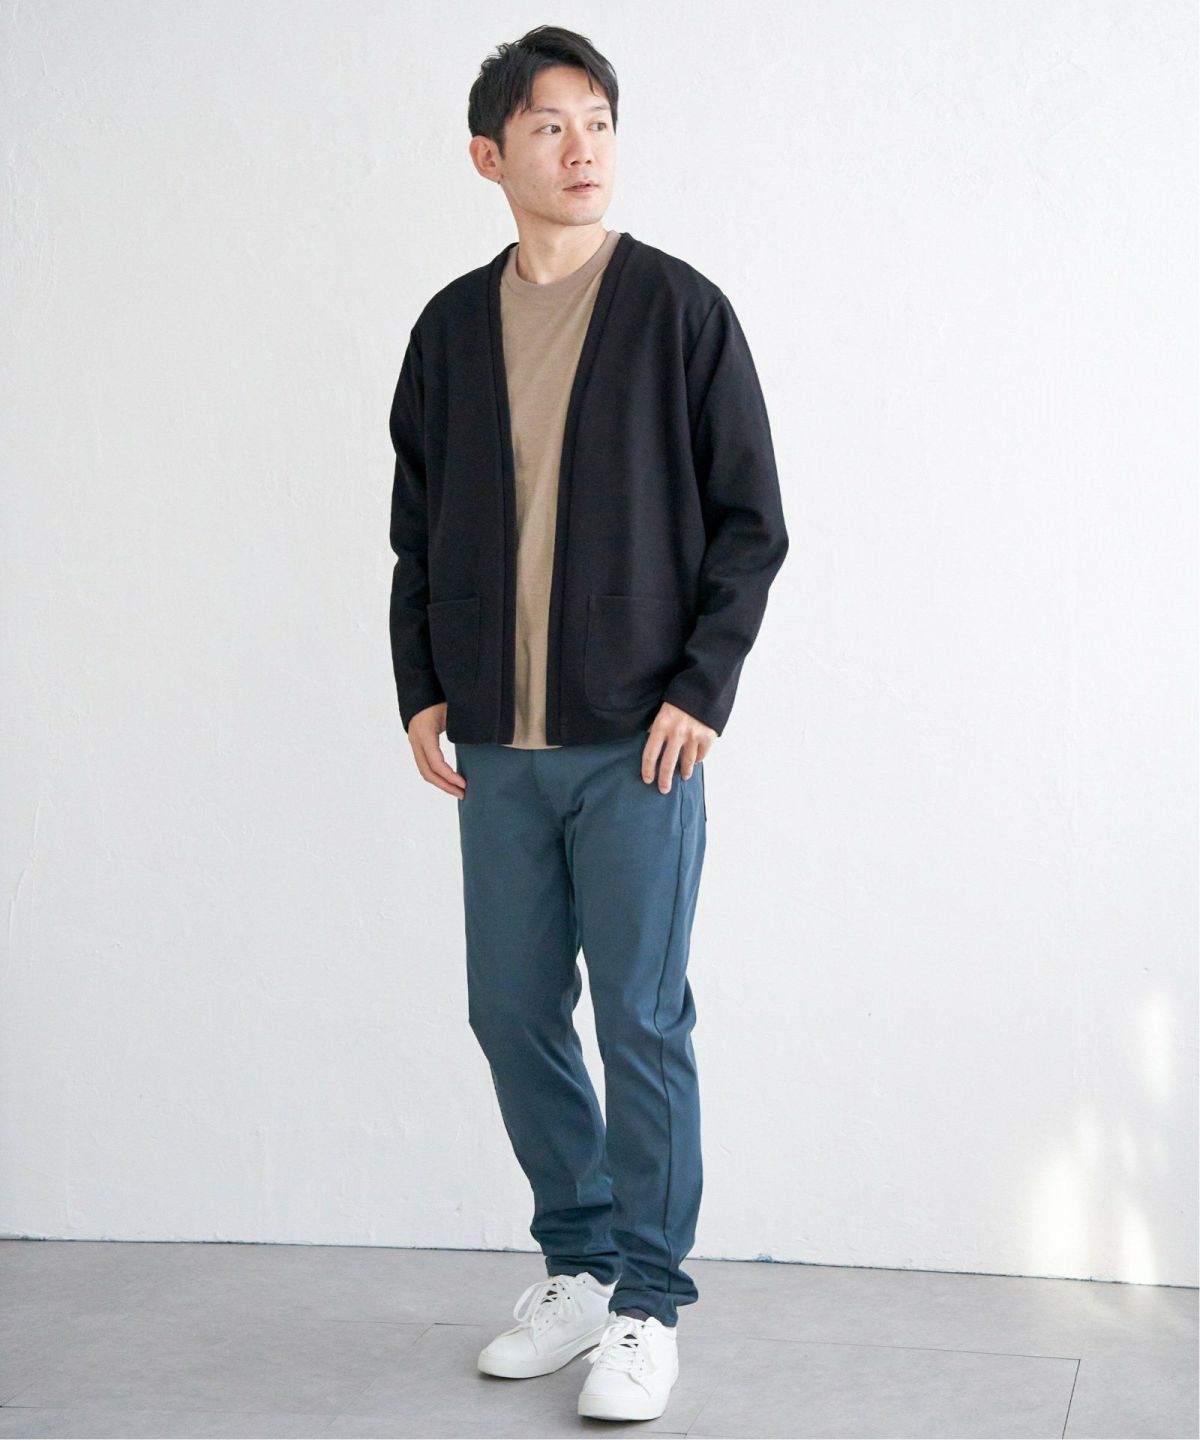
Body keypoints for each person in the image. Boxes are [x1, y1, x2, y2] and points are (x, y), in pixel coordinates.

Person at [387, 24, 789, 1424]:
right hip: (498, 742)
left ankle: (647, 1303)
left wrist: (701, 688)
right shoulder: (449, 330)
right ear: (489, 155)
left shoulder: (679, 310)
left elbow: (752, 523)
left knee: (641, 1017)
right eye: (551, 126)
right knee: (510, 1009)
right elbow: (416, 526)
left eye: (600, 123)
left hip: (639, 744)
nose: (583, 149)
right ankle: (578, 1260)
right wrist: (420, 681)